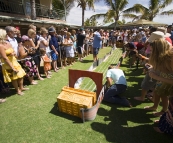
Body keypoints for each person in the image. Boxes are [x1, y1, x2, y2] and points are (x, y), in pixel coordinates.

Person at [0, 29, 27, 95]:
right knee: (14, 78)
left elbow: (13, 50)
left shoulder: (8, 43)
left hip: (14, 61)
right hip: (8, 63)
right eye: (6, 34)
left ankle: (21, 87)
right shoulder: (0, 46)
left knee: (21, 75)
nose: (7, 35)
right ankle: (17, 90)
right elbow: (4, 57)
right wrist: (12, 67)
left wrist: (14, 53)